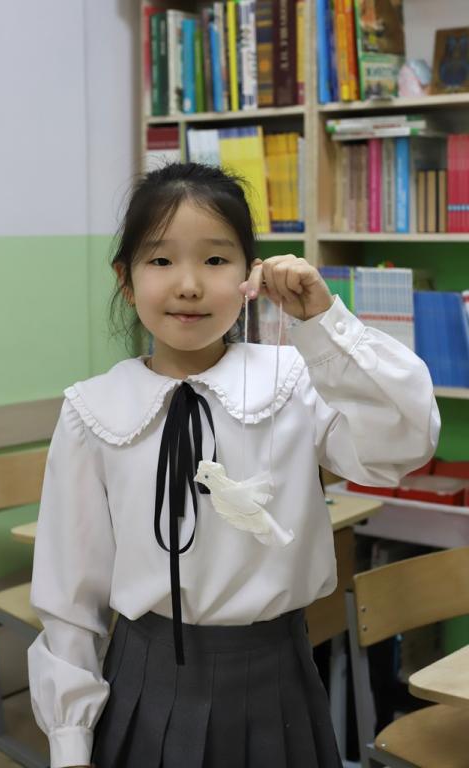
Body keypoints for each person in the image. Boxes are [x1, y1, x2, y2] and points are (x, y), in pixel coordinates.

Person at [27, 162, 440, 768]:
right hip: (144, 681)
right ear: (126, 279)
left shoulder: (293, 379)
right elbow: (69, 595)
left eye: (216, 259)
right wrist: (70, 742)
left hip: (278, 677)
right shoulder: (92, 411)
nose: (188, 285)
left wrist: (324, 323)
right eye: (160, 260)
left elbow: (402, 445)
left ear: (251, 275)